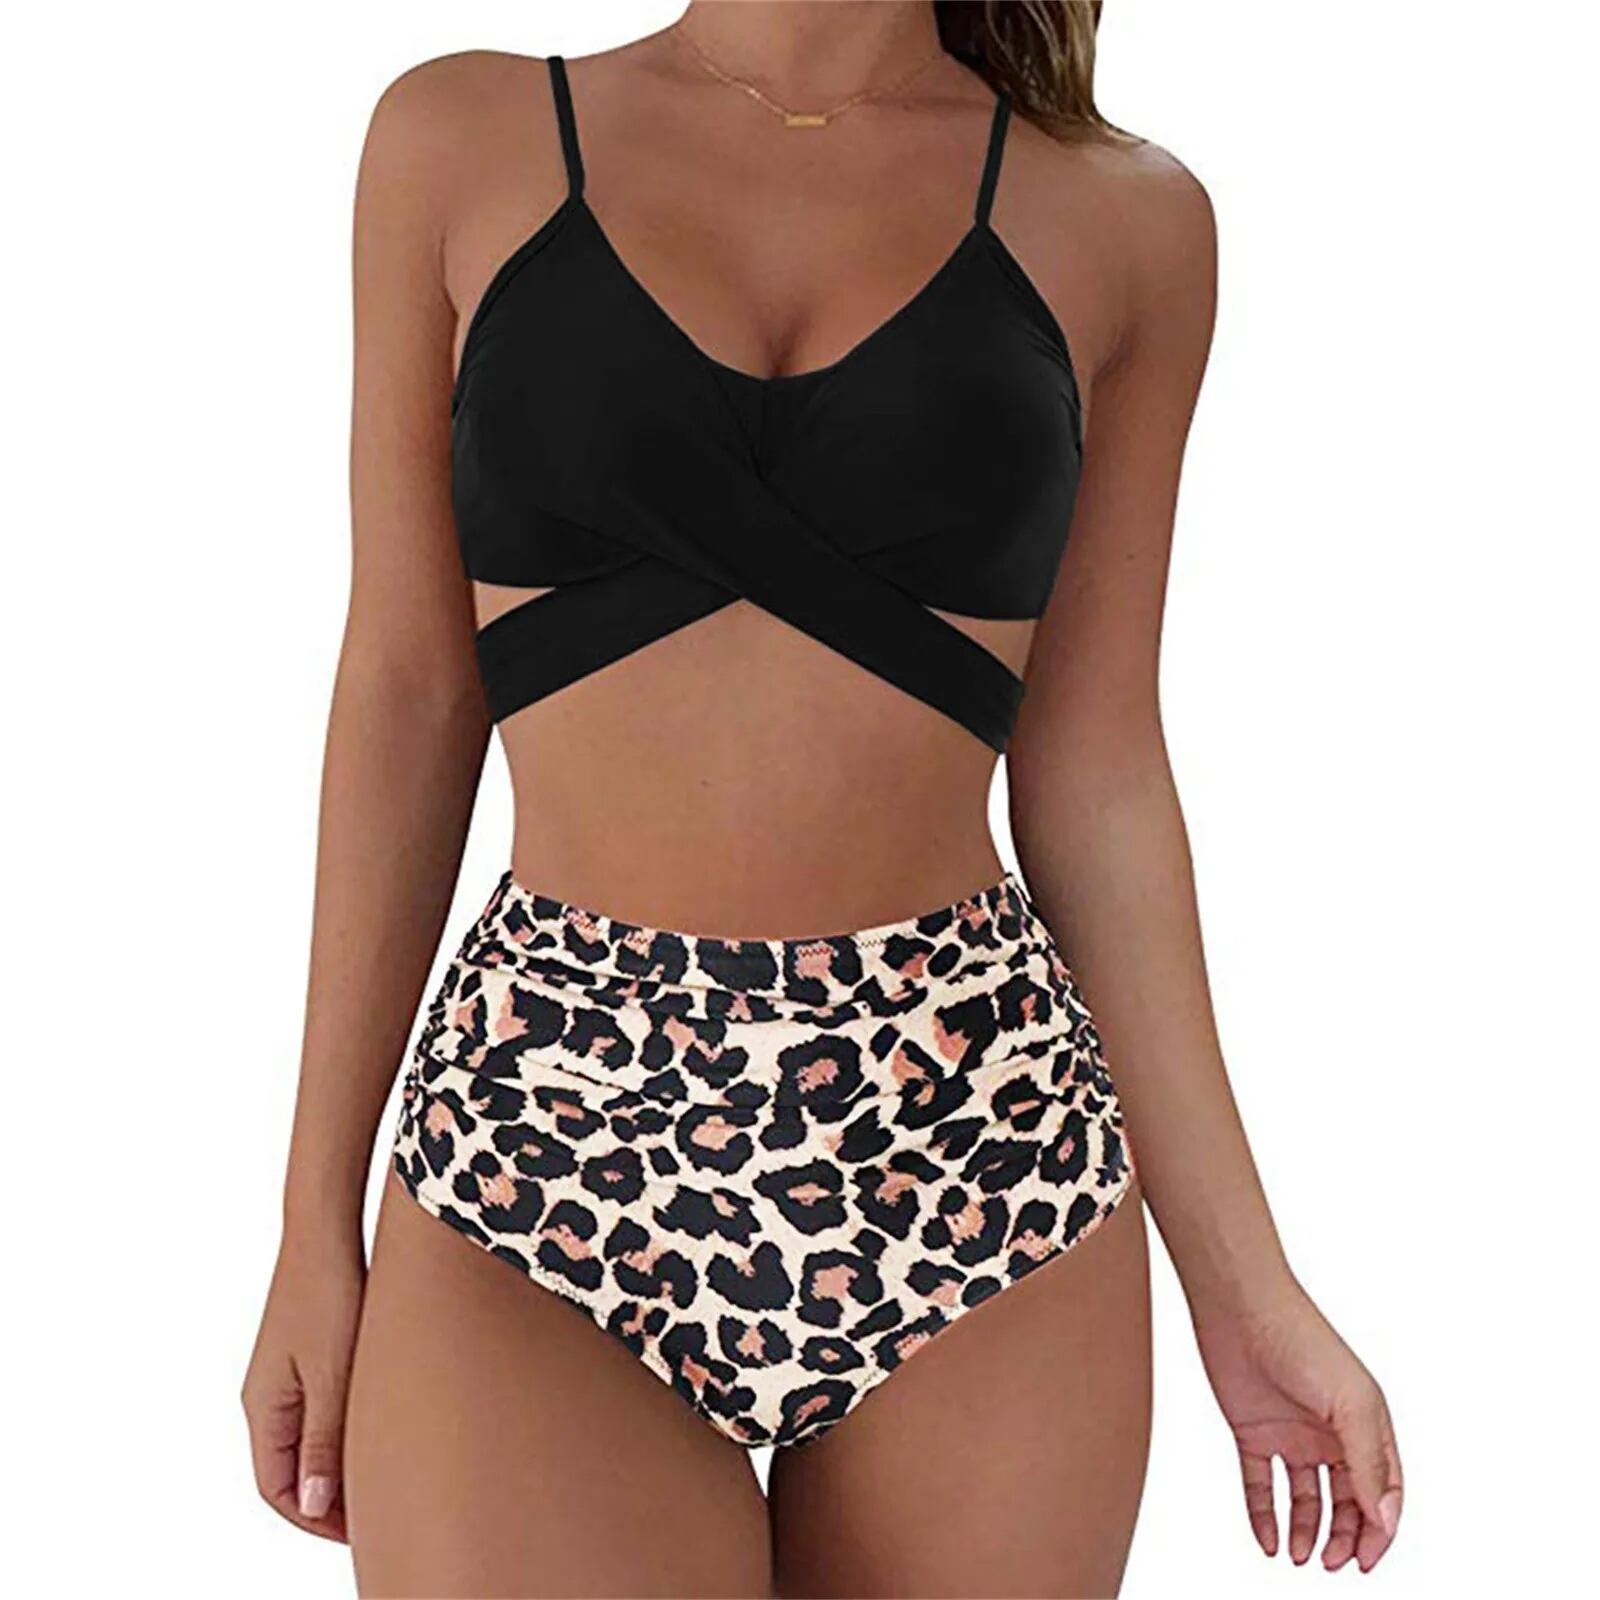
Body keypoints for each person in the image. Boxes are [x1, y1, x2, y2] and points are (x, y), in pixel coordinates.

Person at [242, 4, 1403, 1594]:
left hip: (982, 1157)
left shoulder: (1125, 218)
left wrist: (1247, 1286)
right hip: (545, 1138)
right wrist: (311, 1218)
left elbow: (1098, 773)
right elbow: (404, 691)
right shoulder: (460, 140)